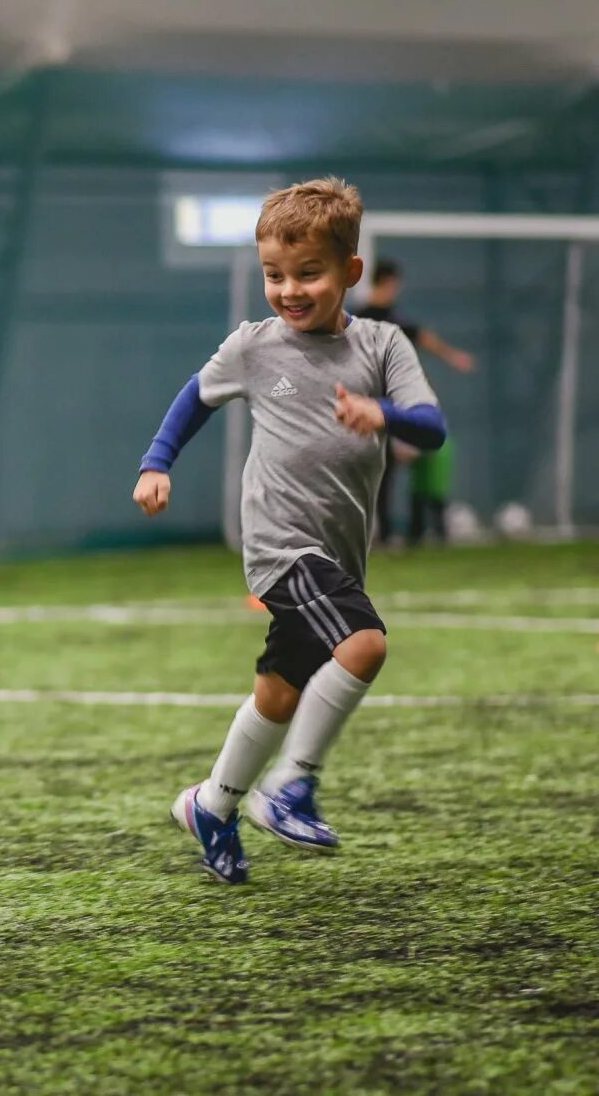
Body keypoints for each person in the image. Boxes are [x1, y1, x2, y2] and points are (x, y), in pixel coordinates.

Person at [132, 178, 447, 884]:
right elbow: (194, 397)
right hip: (280, 547)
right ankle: (290, 785)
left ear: (351, 273)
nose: (289, 290)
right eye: (276, 275)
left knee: (280, 692)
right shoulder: (253, 346)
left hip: (338, 555)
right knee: (365, 644)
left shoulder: (384, 345)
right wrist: (158, 463)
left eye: (309, 273)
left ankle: (212, 803)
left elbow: (432, 427)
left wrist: (382, 414)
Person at [357, 258, 475, 545]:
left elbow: (423, 336)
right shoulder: (363, 319)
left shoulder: (392, 320)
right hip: (372, 406)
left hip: (391, 407)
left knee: (391, 471)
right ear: (386, 283)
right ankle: (378, 534)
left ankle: (395, 532)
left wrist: (451, 356)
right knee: (377, 473)